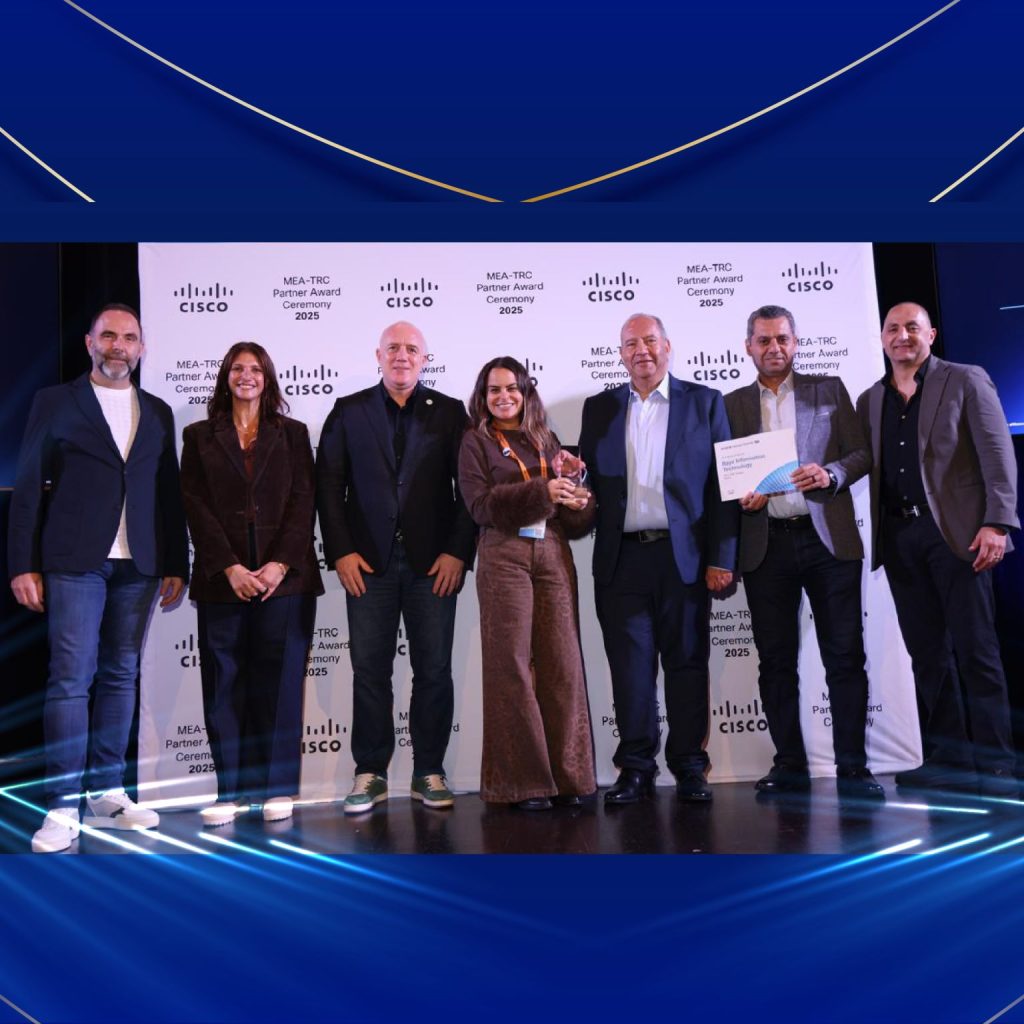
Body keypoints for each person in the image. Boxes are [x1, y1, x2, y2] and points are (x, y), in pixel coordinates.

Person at [8, 303, 189, 853]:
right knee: (70, 679)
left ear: (141, 348)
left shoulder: (157, 410)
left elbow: (167, 492)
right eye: (108, 336)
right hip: (75, 562)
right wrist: (22, 563)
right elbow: (27, 485)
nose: (118, 346)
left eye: (129, 338)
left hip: (140, 565)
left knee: (120, 676)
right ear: (90, 342)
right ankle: (62, 805)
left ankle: (107, 793)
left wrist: (176, 563)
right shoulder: (55, 402)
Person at [857, 302, 1019, 796]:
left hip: (959, 536)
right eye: (893, 328)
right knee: (928, 657)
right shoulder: (871, 399)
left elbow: (997, 452)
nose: (902, 335)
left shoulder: (965, 379)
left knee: (977, 652)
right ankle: (949, 760)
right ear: (882, 339)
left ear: (930, 334)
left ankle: (996, 763)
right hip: (899, 540)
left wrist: (997, 522)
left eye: (912, 327)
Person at [316, 322, 476, 814]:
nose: (402, 356)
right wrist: (341, 552)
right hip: (368, 565)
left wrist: (458, 552)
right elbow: (328, 487)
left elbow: (470, 488)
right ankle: (370, 772)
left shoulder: (450, 412)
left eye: (411, 349)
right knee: (369, 671)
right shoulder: (349, 411)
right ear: (378, 356)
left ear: (425, 359)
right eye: (393, 349)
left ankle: (429, 770)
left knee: (434, 670)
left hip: (435, 566)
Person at [724, 304, 882, 799]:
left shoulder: (828, 389)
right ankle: (789, 765)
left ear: (796, 343)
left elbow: (862, 454)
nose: (774, 348)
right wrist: (742, 497)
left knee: (845, 656)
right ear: (748, 347)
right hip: (764, 544)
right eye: (764, 340)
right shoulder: (729, 405)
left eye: (782, 339)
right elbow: (722, 474)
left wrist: (830, 474)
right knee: (775, 662)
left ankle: (853, 767)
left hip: (826, 540)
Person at [579, 313, 737, 804]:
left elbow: (723, 488)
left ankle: (689, 765)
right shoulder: (598, 408)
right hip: (621, 560)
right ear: (620, 354)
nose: (641, 351)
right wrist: (572, 479)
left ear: (668, 347)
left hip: (683, 558)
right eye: (631, 344)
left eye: (650, 341)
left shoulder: (705, 402)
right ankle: (635, 767)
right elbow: (589, 482)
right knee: (630, 669)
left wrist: (721, 557)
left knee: (687, 663)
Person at [180, 342, 322, 826]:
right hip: (223, 582)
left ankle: (277, 789)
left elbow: (304, 501)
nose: (247, 376)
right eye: (238, 368)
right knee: (224, 687)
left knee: (279, 686)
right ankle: (231, 792)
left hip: (285, 582)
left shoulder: (293, 433)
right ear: (226, 377)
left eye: (255, 369)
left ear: (267, 378)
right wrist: (230, 567)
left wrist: (279, 564)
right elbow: (195, 505)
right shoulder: (198, 436)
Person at [458, 357, 597, 810]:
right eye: (494, 390)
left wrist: (577, 490)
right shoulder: (475, 441)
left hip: (553, 551)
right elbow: (479, 505)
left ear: (525, 392)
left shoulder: (545, 439)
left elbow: (574, 522)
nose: (504, 397)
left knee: (563, 665)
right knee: (511, 668)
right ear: (483, 397)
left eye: (512, 388)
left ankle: (570, 779)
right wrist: (543, 491)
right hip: (503, 555)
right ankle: (523, 784)